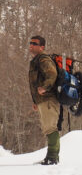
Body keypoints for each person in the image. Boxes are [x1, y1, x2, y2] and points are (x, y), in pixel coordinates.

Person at [28, 35, 60, 165]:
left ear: (42, 47)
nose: (31, 45)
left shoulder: (43, 59)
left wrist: (45, 88)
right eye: (30, 43)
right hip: (42, 100)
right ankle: (51, 157)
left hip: (48, 99)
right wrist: (36, 101)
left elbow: (52, 74)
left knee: (50, 128)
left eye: (34, 43)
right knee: (47, 128)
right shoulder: (35, 61)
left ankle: (52, 158)